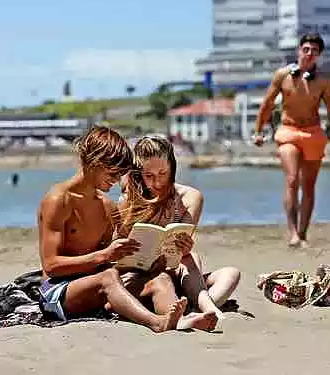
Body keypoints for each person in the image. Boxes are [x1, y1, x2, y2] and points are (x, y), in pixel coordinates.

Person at [36, 125, 209, 333]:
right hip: (58, 291)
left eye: (120, 174)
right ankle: (157, 323)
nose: (117, 180)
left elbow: (112, 262)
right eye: (113, 173)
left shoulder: (107, 206)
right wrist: (104, 256)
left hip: (98, 286)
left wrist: (158, 257)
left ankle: (179, 321)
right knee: (108, 278)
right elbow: (51, 265)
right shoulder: (58, 200)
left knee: (159, 280)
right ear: (93, 162)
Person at [118, 134, 240, 324]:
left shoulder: (190, 197)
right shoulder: (129, 201)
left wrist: (183, 247)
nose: (157, 183)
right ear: (138, 173)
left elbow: (181, 252)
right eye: (148, 176)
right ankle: (203, 307)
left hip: (175, 272)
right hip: (141, 275)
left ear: (172, 168)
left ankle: (197, 307)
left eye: (163, 174)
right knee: (190, 261)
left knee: (229, 273)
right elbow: (118, 257)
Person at [253, 33, 330, 247]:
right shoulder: (282, 75)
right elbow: (267, 104)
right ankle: (293, 232)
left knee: (309, 186)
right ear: (299, 51)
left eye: (314, 51)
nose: (309, 53)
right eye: (306, 49)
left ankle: (302, 233)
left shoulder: (323, 80)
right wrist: (258, 130)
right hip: (288, 130)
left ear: (319, 55)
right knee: (292, 180)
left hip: (313, 133)